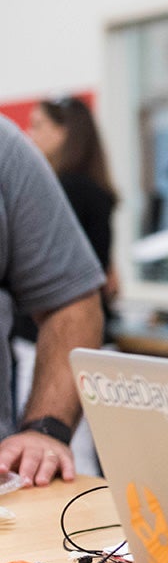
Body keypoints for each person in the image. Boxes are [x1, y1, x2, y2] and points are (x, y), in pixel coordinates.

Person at [0, 115, 105, 486]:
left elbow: (72, 299)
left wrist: (45, 429)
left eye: (42, 124)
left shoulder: (5, 150)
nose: (34, 132)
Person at [21, 96, 119, 342]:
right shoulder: (95, 190)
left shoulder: (64, 191)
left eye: (38, 125)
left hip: (53, 333)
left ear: (63, 132)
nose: (29, 133)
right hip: (85, 328)